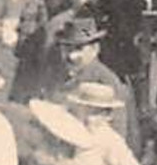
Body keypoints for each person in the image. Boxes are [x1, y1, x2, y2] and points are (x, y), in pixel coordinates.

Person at [47, 16, 141, 155]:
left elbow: (118, 139)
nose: (71, 56)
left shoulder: (106, 83)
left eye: (79, 48)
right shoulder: (60, 75)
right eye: (67, 48)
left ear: (95, 49)